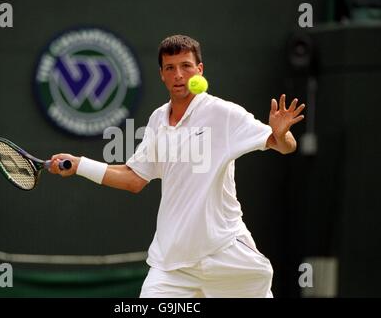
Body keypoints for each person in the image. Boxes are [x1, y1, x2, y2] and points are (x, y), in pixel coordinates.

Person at [48, 34, 305, 298]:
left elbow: (284, 145)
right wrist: (79, 165)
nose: (178, 75)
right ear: (162, 74)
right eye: (170, 68)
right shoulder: (158, 119)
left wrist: (282, 133)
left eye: (186, 66)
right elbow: (134, 179)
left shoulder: (223, 114)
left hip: (225, 254)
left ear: (199, 70)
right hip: (171, 265)